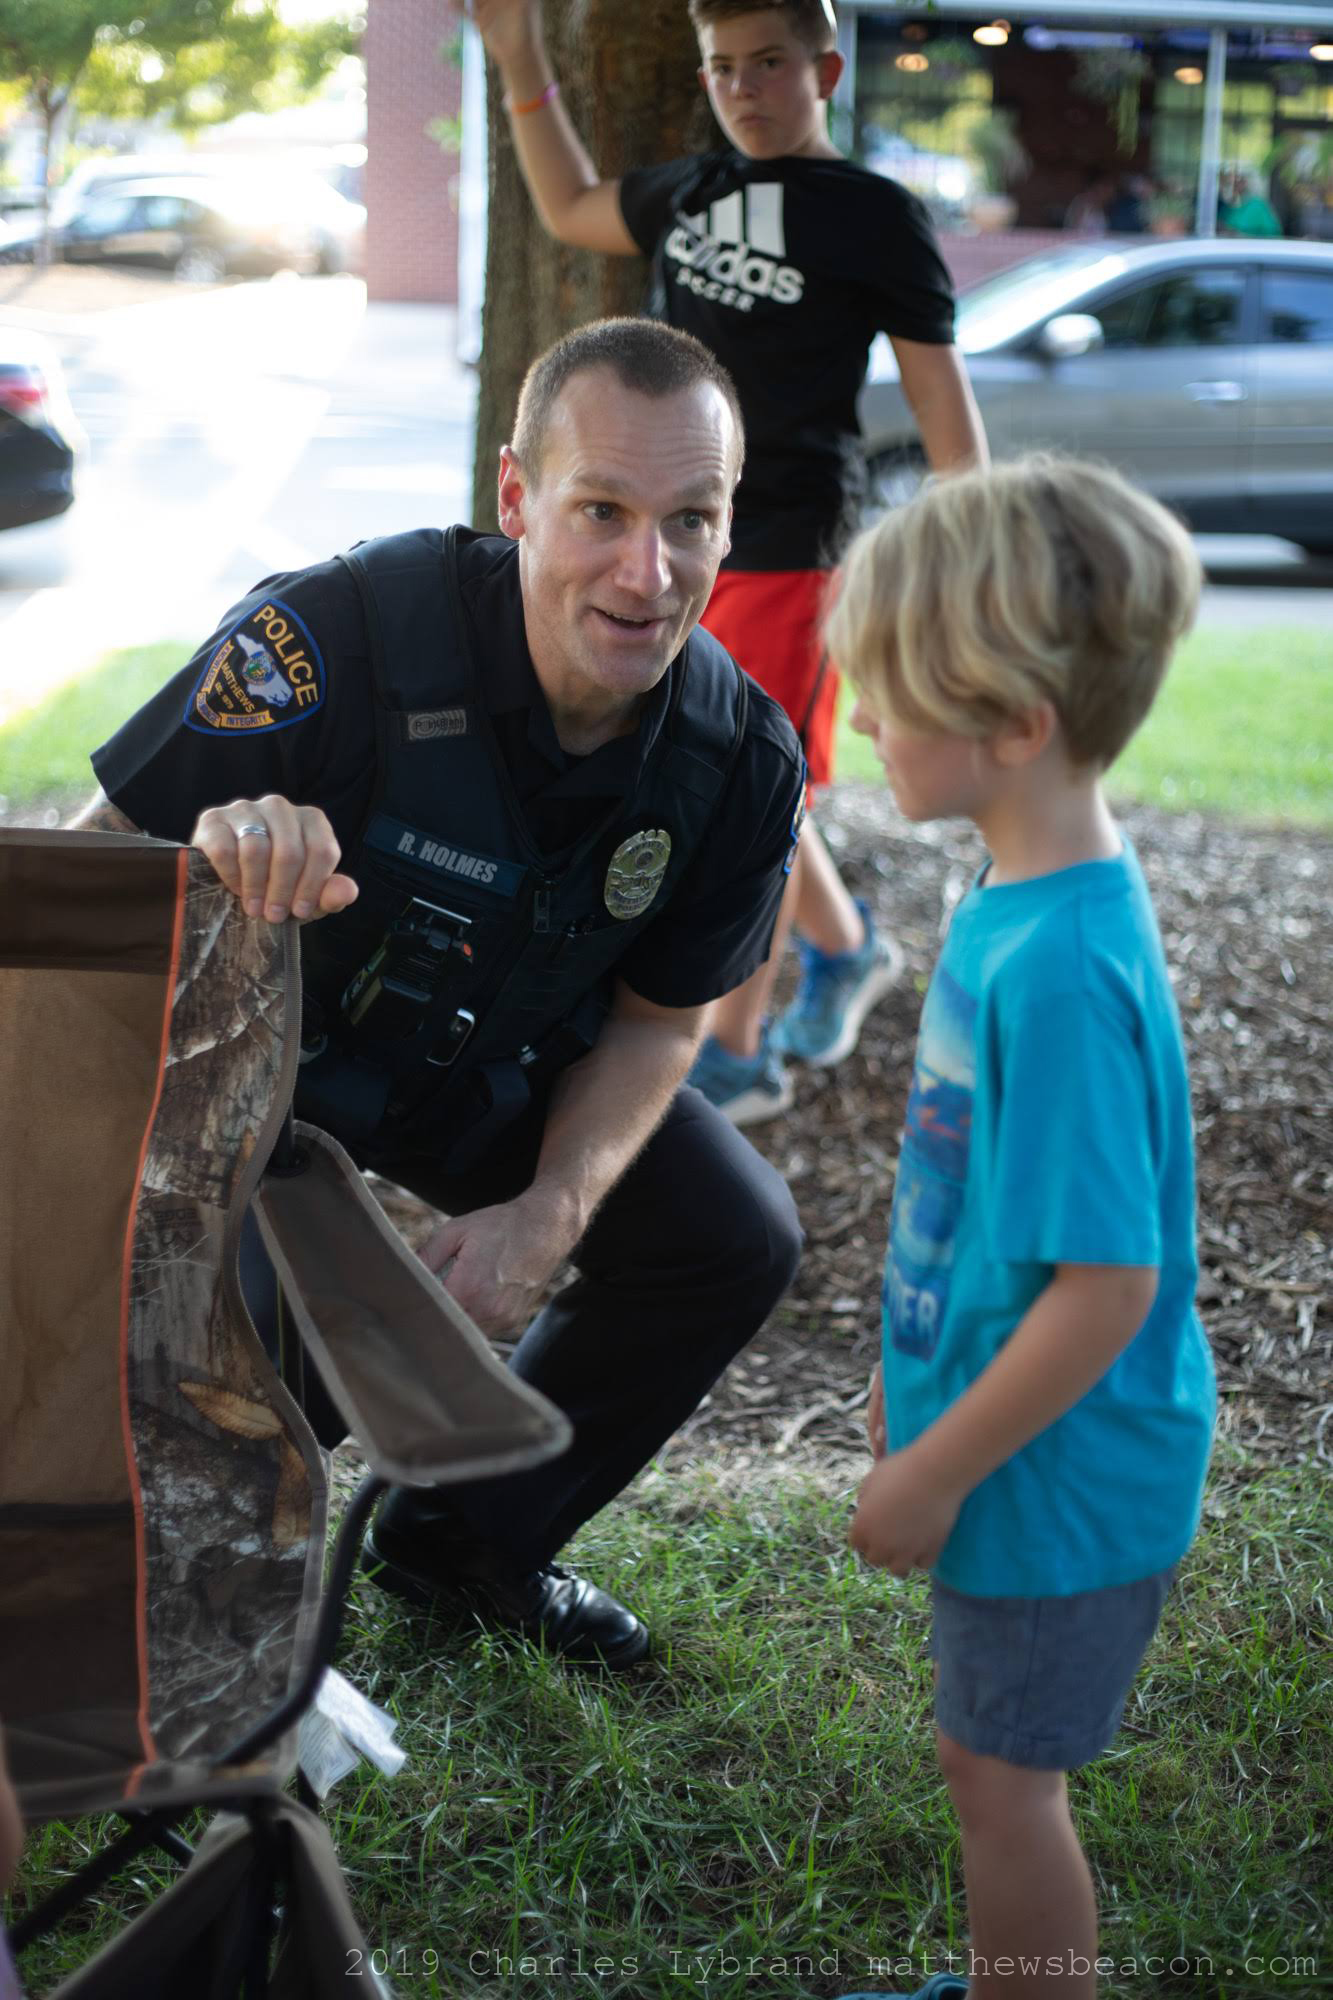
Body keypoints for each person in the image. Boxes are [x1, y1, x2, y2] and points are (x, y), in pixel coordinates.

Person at [76, 317, 807, 1672]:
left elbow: (661, 1020)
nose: (648, 575)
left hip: (497, 1067)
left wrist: (553, 1210)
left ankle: (464, 1542)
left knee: (729, 1231)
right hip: (267, 1084)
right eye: (601, 510)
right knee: (216, 1448)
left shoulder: (738, 755)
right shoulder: (336, 635)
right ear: (516, 495)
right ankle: (205, 1590)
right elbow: (92, 877)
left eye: (689, 521)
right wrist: (218, 861)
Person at [823, 457, 1216, 2000]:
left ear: (1013, 727)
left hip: (1057, 1482)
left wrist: (933, 1462)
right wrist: (915, 1379)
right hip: (1020, 1452)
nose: (859, 723)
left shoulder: (1054, 969)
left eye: (888, 695)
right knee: (983, 1755)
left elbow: (1106, 1288)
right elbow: (994, 1222)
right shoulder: (1025, 898)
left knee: (1001, 1783)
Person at [473, 0, 987, 1124]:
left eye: (769, 63)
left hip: (787, 546)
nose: (744, 87)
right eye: (722, 67)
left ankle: (738, 1049)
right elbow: (565, 207)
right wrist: (518, 54)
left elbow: (947, 416)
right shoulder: (689, 191)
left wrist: (968, 573)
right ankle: (844, 950)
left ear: (827, 69)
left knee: (744, 788)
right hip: (662, 537)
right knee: (717, 770)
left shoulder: (873, 215)